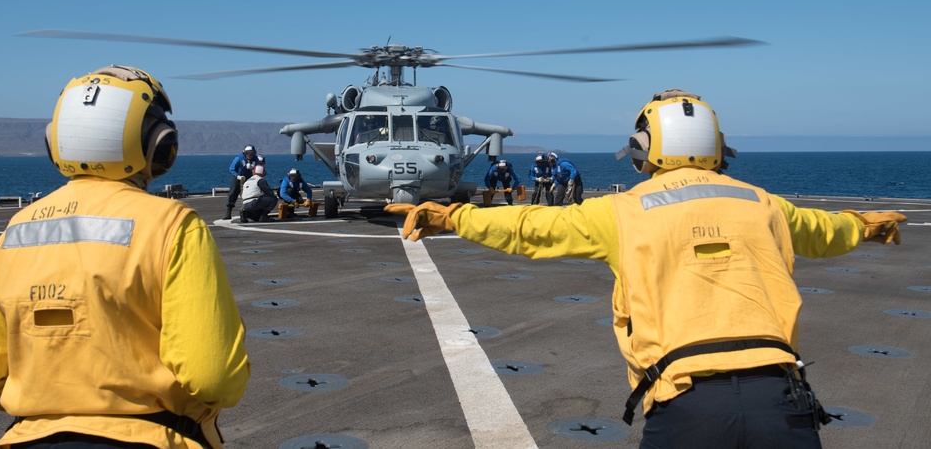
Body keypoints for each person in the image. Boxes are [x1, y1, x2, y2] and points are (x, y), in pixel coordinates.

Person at [386, 89, 906, 449]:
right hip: (783, 401)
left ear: (644, 151)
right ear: (718, 150)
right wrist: (866, 224)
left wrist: (455, 216)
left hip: (686, 403)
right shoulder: (768, 207)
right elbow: (828, 230)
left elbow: (530, 228)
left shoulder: (624, 211)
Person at [0, 65, 250, 448]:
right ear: (159, 146)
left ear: (55, 142)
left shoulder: (15, 233)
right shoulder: (173, 226)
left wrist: (49, 408)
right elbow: (214, 377)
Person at [225, 144, 264, 220]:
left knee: (249, 193)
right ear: (244, 153)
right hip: (237, 177)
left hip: (249, 178)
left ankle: (247, 211)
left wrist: (254, 169)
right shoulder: (238, 158)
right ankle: (228, 211)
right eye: (248, 153)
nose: (250, 155)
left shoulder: (255, 160)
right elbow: (231, 169)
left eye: (252, 153)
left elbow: (259, 169)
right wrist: (238, 176)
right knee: (233, 192)